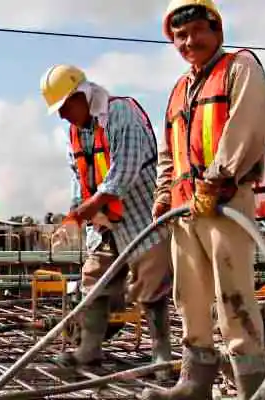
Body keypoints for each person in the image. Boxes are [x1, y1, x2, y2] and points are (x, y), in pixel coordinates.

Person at [142, 0, 265, 398]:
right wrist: (164, 194)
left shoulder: (239, 68)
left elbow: (249, 125)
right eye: (180, 36)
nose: (189, 41)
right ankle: (194, 384)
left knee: (233, 297)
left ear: (217, 30)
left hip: (225, 203)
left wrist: (217, 178)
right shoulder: (180, 89)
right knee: (190, 299)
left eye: (198, 31)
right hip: (186, 210)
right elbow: (170, 150)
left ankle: (252, 388)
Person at [39, 64, 173, 378]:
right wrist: (75, 212)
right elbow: (78, 177)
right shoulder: (76, 130)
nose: (61, 116)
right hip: (105, 224)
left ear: (82, 95)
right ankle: (89, 350)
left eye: (64, 107)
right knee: (94, 282)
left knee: (151, 287)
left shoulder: (120, 114)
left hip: (142, 218)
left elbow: (123, 173)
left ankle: (161, 355)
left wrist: (86, 209)